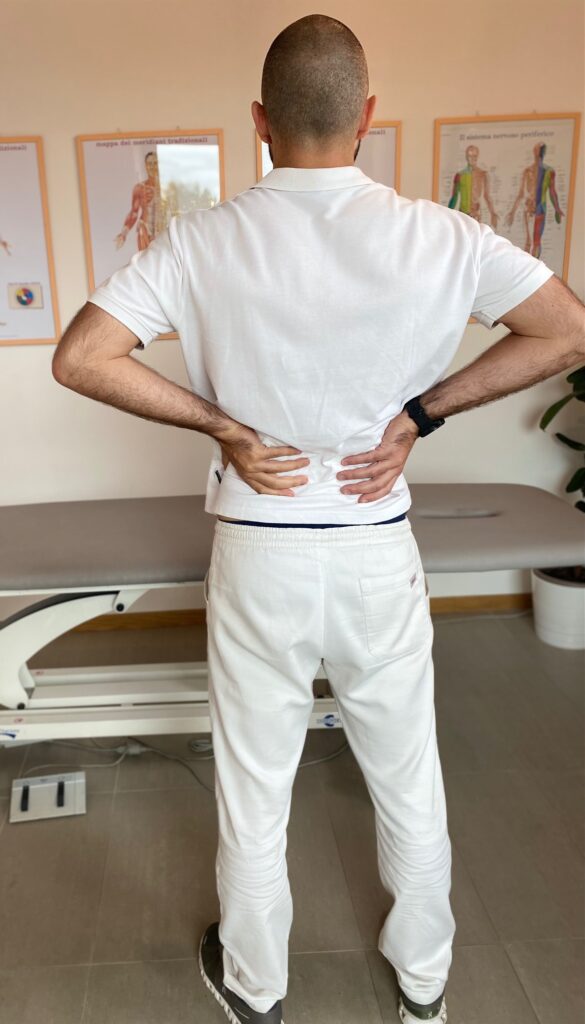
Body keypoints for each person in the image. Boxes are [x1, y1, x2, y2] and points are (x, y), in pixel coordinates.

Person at [52, 15, 585, 1024]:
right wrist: (421, 414)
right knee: (407, 772)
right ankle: (423, 986)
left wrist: (224, 427)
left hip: (260, 545)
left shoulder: (202, 239)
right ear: (366, 116)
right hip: (376, 545)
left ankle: (257, 988)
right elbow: (566, 332)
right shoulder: (441, 234)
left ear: (260, 121)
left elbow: (80, 357)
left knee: (256, 782)